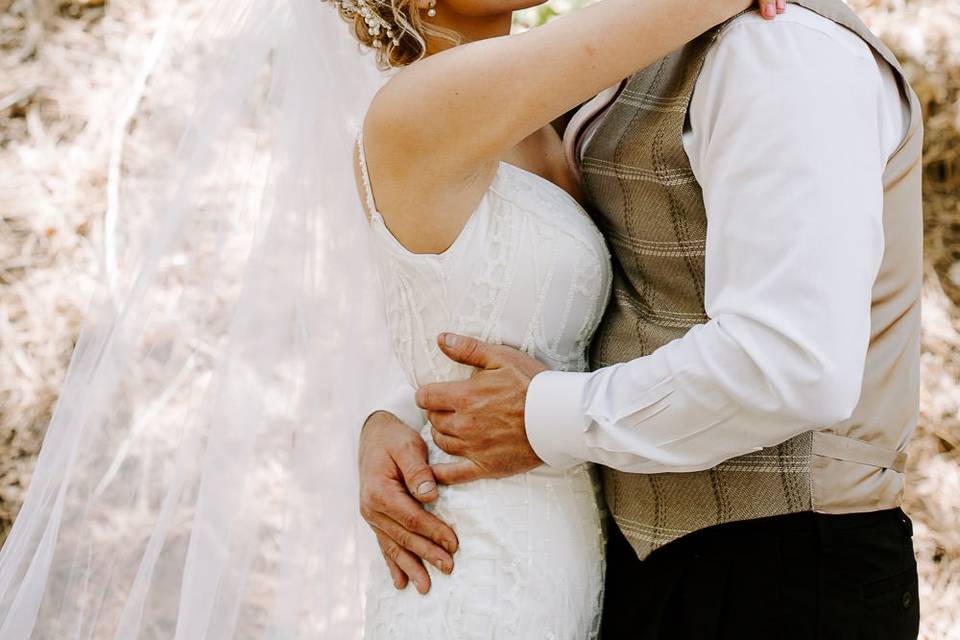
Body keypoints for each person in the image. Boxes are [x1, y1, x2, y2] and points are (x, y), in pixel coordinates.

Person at [360, 0, 924, 638]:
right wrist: (395, 415)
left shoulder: (778, 46)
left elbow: (796, 363)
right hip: (505, 555)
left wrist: (529, 414)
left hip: (784, 572)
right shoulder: (533, 85)